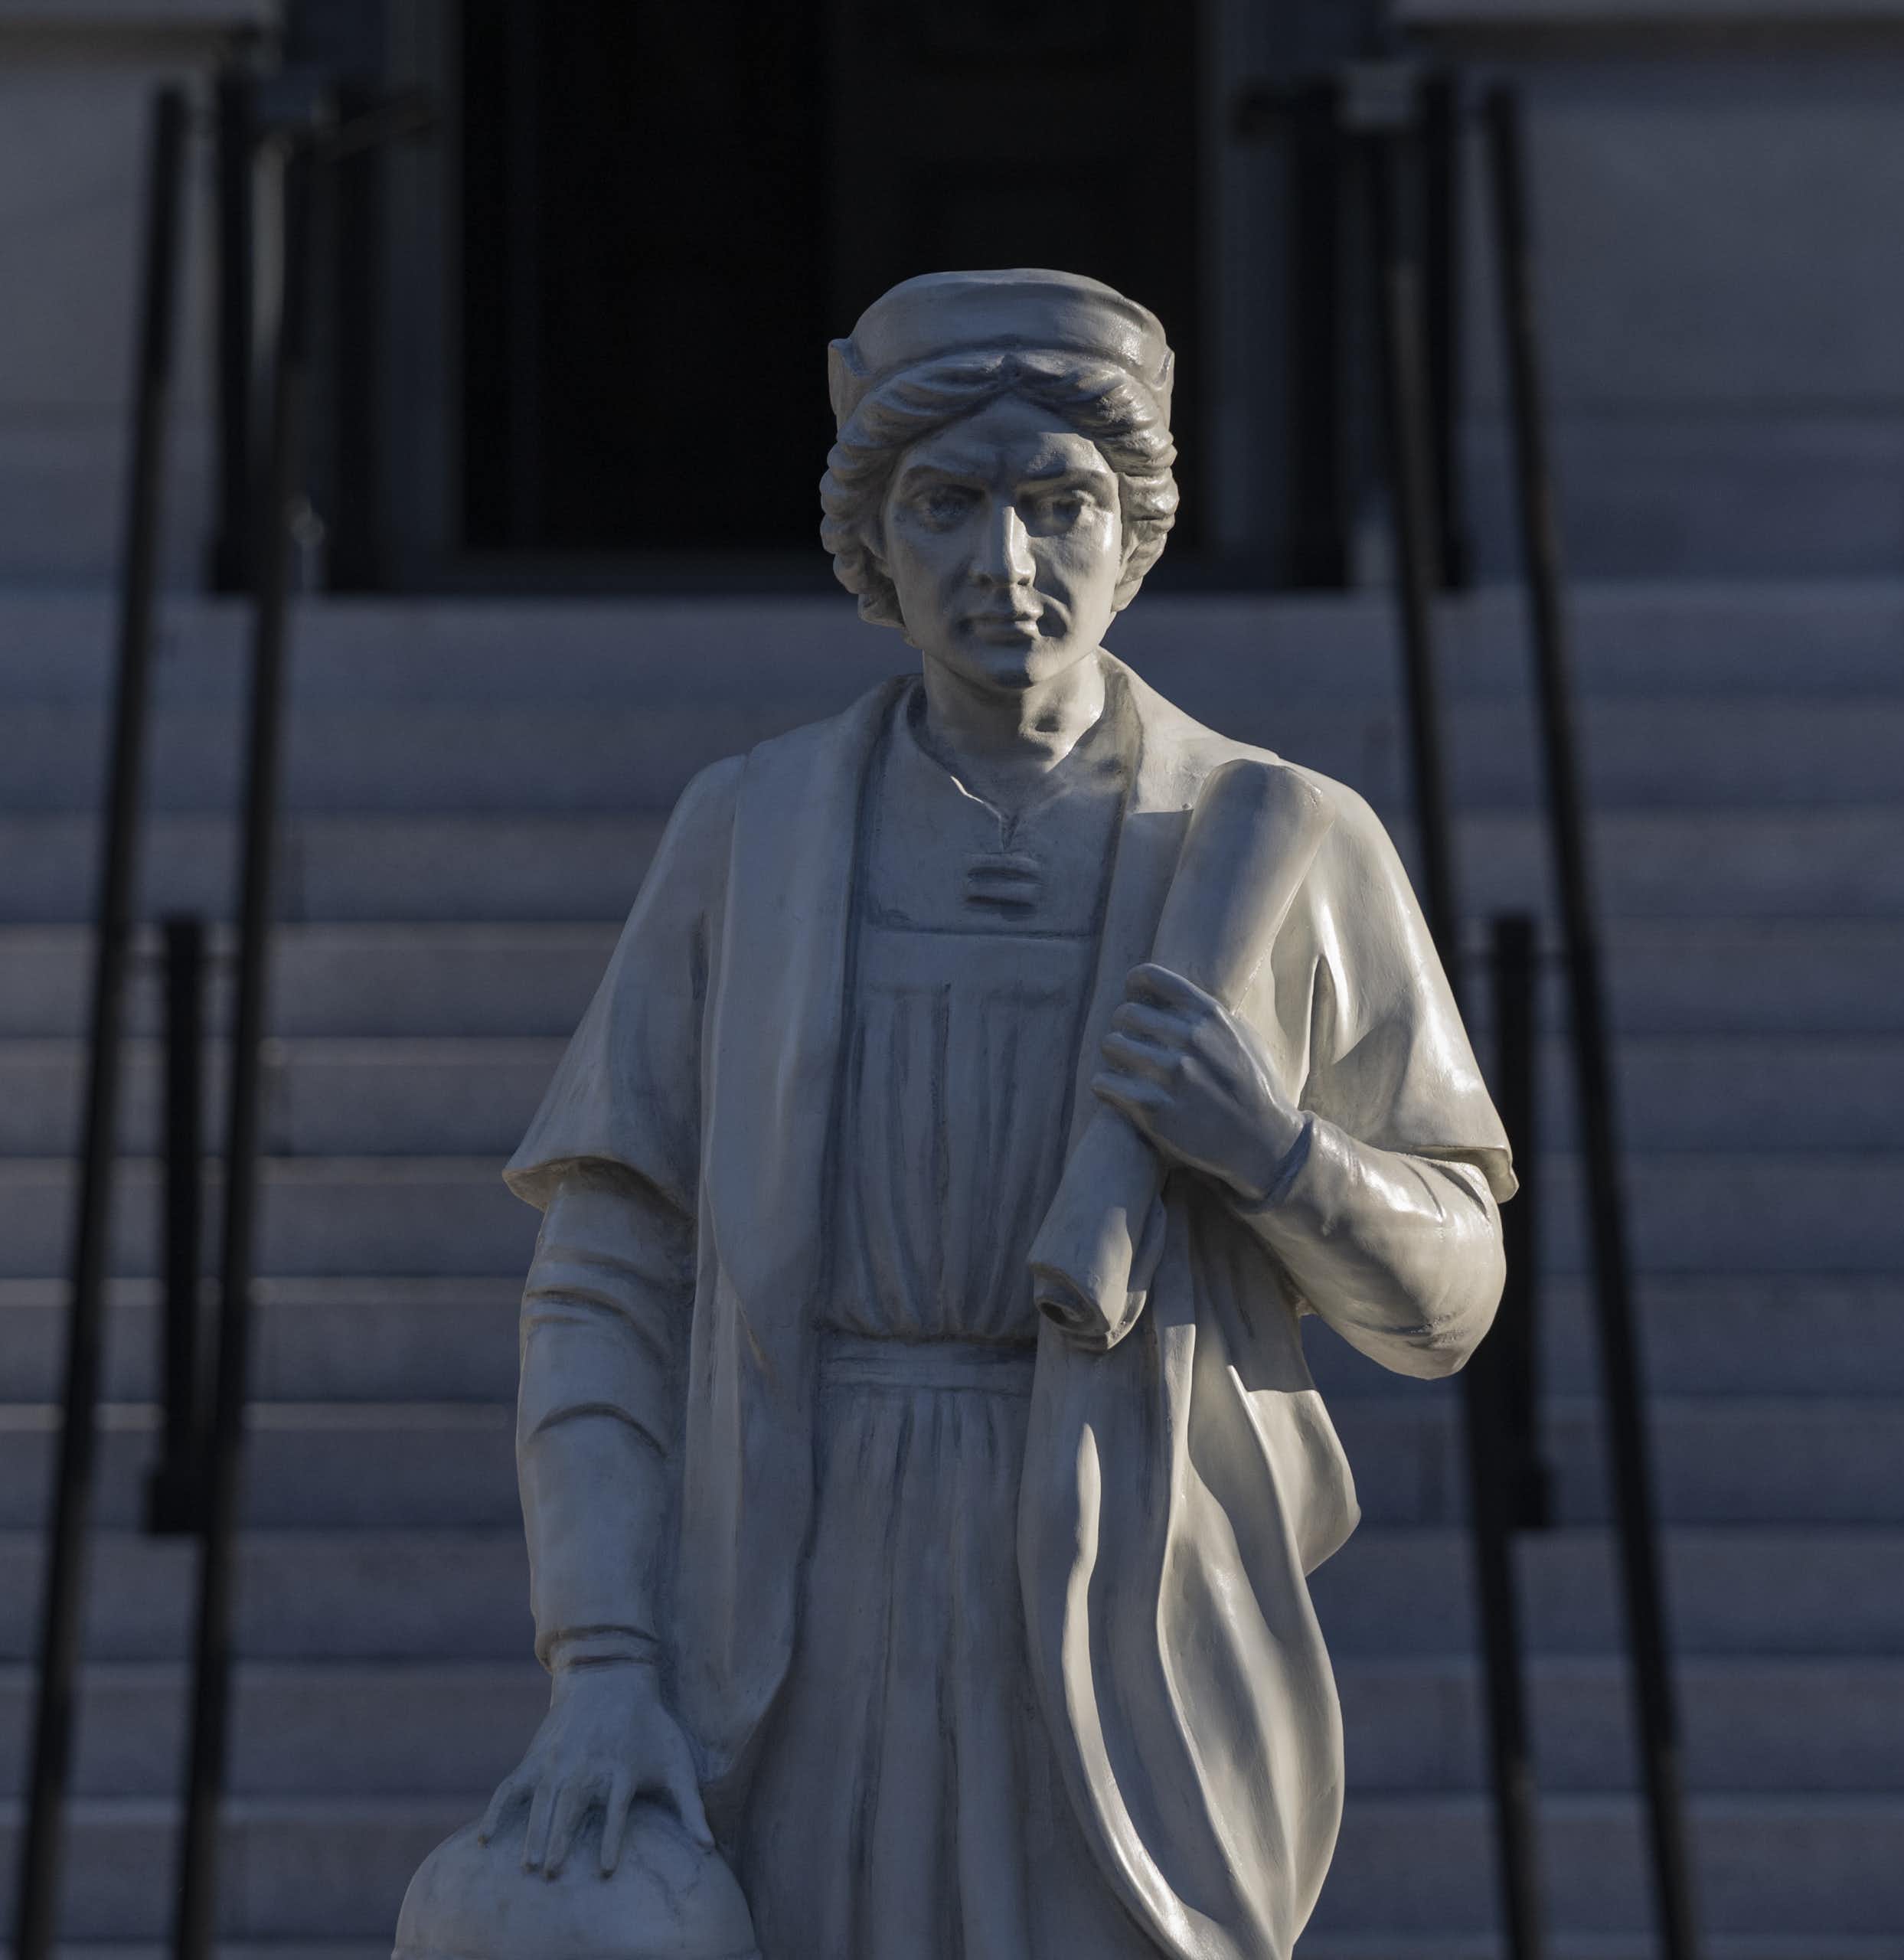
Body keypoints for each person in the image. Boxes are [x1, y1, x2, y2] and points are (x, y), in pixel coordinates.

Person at [477, 270, 1513, 1960]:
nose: (1006, 564)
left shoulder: (1285, 843)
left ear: (1135, 534)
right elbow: (603, 1279)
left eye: (1061, 504)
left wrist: (1274, 1151)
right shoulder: (749, 837)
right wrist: (601, 1661)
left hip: (1136, 1606)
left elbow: (1448, 1295)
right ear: (871, 543)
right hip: (799, 1597)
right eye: (947, 505)